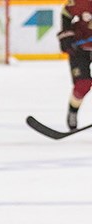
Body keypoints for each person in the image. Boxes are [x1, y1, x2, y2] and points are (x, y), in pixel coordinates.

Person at [57, 0, 92, 130]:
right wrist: (67, 35)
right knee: (83, 84)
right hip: (80, 48)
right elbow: (66, 13)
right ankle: (73, 111)